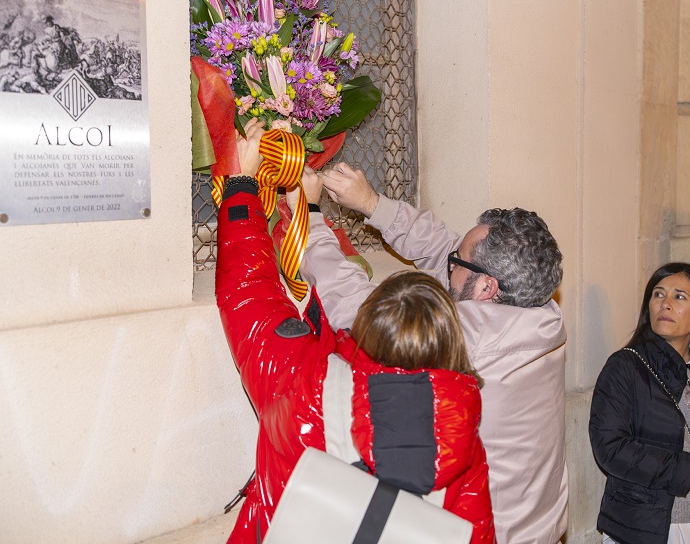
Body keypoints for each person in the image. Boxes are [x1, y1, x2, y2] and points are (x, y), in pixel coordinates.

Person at [216, 119, 495, 544]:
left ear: (363, 325)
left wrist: (240, 185)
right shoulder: (462, 437)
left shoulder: (306, 387)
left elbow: (247, 293)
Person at [294, 163, 568, 544]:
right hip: (540, 526)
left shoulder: (464, 339)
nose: (449, 260)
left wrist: (310, 219)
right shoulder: (540, 311)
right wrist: (372, 204)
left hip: (494, 533)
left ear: (488, 287)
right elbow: (448, 251)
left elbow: (361, 309)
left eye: (459, 261)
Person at [589, 262, 690, 544]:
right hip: (648, 527)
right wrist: (689, 467)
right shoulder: (625, 367)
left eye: (679, 296)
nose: (665, 304)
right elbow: (610, 449)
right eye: (658, 294)